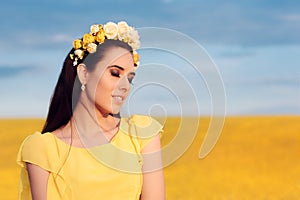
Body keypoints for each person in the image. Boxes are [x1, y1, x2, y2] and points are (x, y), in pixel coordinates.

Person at [16, 21, 165, 200]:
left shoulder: (141, 133)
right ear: (84, 73)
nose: (125, 86)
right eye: (115, 74)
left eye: (130, 78)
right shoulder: (44, 148)